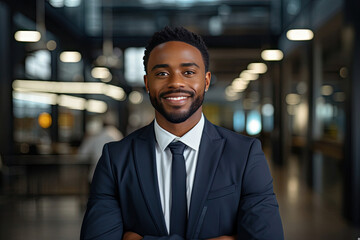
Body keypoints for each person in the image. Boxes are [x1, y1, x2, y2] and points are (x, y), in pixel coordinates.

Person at [80, 26, 284, 240]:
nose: (176, 82)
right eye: (162, 73)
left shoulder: (244, 154)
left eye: (188, 72)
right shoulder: (116, 159)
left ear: (205, 81)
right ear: (147, 83)